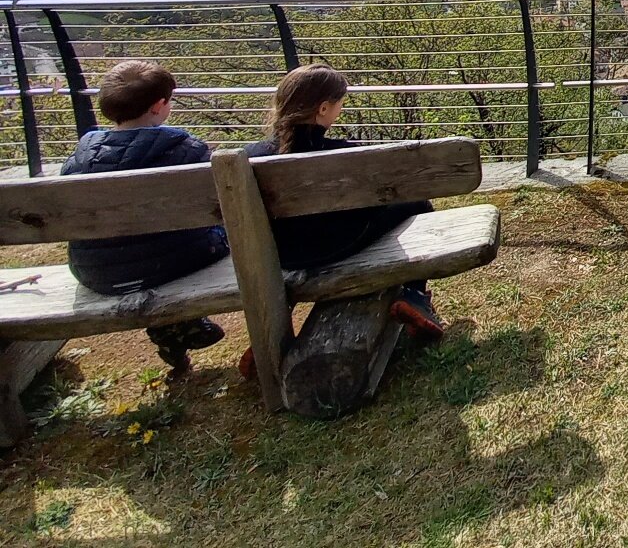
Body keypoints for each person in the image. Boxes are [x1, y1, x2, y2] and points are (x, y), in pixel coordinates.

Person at [243, 64, 446, 348]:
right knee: (418, 203)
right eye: (340, 102)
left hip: (281, 256)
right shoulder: (345, 153)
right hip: (335, 247)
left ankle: (272, 339)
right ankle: (414, 295)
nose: (341, 108)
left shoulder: (248, 157)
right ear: (323, 108)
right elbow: (373, 203)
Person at [58, 60, 229, 372]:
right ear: (159, 106)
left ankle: (175, 326)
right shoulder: (187, 150)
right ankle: (175, 323)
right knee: (216, 236)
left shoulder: (77, 162)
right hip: (172, 262)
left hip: (96, 272)